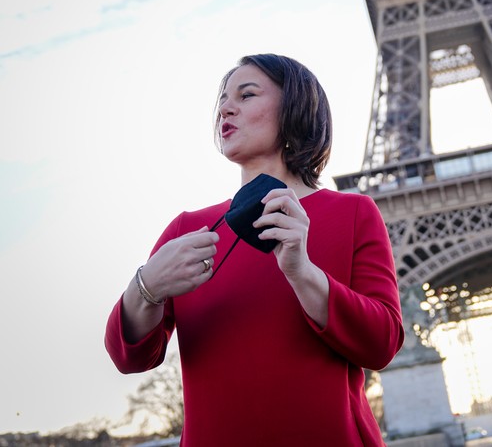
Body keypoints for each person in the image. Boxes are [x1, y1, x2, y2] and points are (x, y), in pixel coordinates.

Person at [105, 54, 404, 446]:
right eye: (224, 100)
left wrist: (303, 273)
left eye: (246, 95)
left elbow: (381, 345)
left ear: (296, 108)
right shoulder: (186, 229)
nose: (226, 108)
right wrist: (147, 285)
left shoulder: (352, 213)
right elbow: (128, 357)